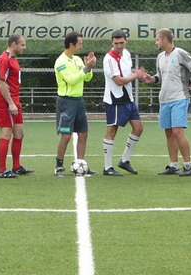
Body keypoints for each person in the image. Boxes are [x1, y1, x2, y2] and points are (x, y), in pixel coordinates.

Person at [101, 30, 152, 176]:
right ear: (112, 42)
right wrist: (136, 75)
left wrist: (140, 74)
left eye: (121, 43)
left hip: (128, 98)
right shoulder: (109, 59)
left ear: (126, 41)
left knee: (138, 128)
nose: (119, 46)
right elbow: (118, 81)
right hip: (115, 99)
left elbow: (128, 73)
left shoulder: (127, 54)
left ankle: (125, 160)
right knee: (112, 131)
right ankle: (107, 167)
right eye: (116, 43)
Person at [153, 28, 191, 176]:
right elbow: (160, 76)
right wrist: (152, 79)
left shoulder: (180, 53)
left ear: (165, 39)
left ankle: (188, 165)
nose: (156, 42)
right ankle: (173, 165)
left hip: (179, 98)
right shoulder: (160, 57)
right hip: (164, 99)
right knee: (168, 132)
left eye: (157, 39)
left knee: (177, 132)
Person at [54, 31, 96, 177]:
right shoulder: (60, 62)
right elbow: (71, 80)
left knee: (83, 133)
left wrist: (89, 67)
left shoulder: (78, 60)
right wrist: (85, 68)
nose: (81, 46)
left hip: (79, 100)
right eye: (79, 43)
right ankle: (59, 165)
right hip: (66, 102)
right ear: (71, 44)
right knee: (66, 135)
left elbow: (87, 78)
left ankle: (81, 164)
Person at [0, 34, 33, 178]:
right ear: (13, 44)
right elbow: (1, 82)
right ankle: (2, 169)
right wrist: (10, 102)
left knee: (19, 133)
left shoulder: (12, 59)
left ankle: (16, 166)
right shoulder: (3, 59)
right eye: (22, 44)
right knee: (6, 133)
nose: (24, 47)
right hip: (6, 102)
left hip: (14, 100)